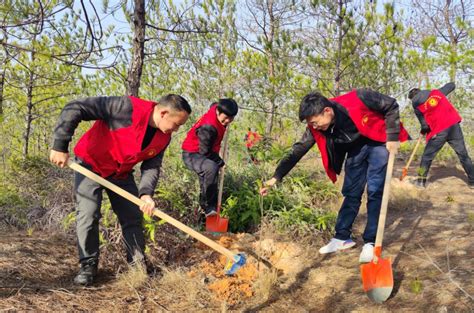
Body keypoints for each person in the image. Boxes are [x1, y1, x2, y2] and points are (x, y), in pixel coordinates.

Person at [49, 94, 191, 285]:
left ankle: (137, 266)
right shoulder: (125, 107)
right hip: (90, 165)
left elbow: (152, 166)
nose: (176, 129)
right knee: (88, 215)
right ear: (164, 112)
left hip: (120, 174)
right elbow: (75, 108)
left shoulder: (163, 137)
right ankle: (88, 266)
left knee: (132, 216)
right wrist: (60, 145)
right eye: (177, 124)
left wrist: (146, 193)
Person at [259, 90, 409, 263]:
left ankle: (370, 242)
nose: (314, 127)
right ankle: (342, 237)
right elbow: (298, 150)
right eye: (311, 124)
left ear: (327, 112)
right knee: (351, 192)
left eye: (315, 122)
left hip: (378, 141)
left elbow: (390, 104)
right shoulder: (315, 127)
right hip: (356, 149)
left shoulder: (358, 99)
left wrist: (392, 136)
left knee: (375, 191)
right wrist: (276, 177)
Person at [408, 82, 474, 188]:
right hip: (454, 126)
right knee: (463, 155)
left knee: (426, 157)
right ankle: (472, 181)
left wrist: (423, 131)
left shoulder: (417, 106)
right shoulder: (437, 93)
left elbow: (425, 126)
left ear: (412, 98)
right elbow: (451, 85)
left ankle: (421, 181)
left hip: (439, 131)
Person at [182, 99, 238, 219]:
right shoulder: (208, 127)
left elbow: (214, 104)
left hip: (204, 153)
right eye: (226, 118)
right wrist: (220, 162)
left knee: (206, 182)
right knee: (211, 168)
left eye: (231, 118)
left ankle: (204, 214)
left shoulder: (217, 110)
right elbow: (205, 151)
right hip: (192, 153)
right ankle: (210, 207)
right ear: (217, 111)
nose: (228, 121)